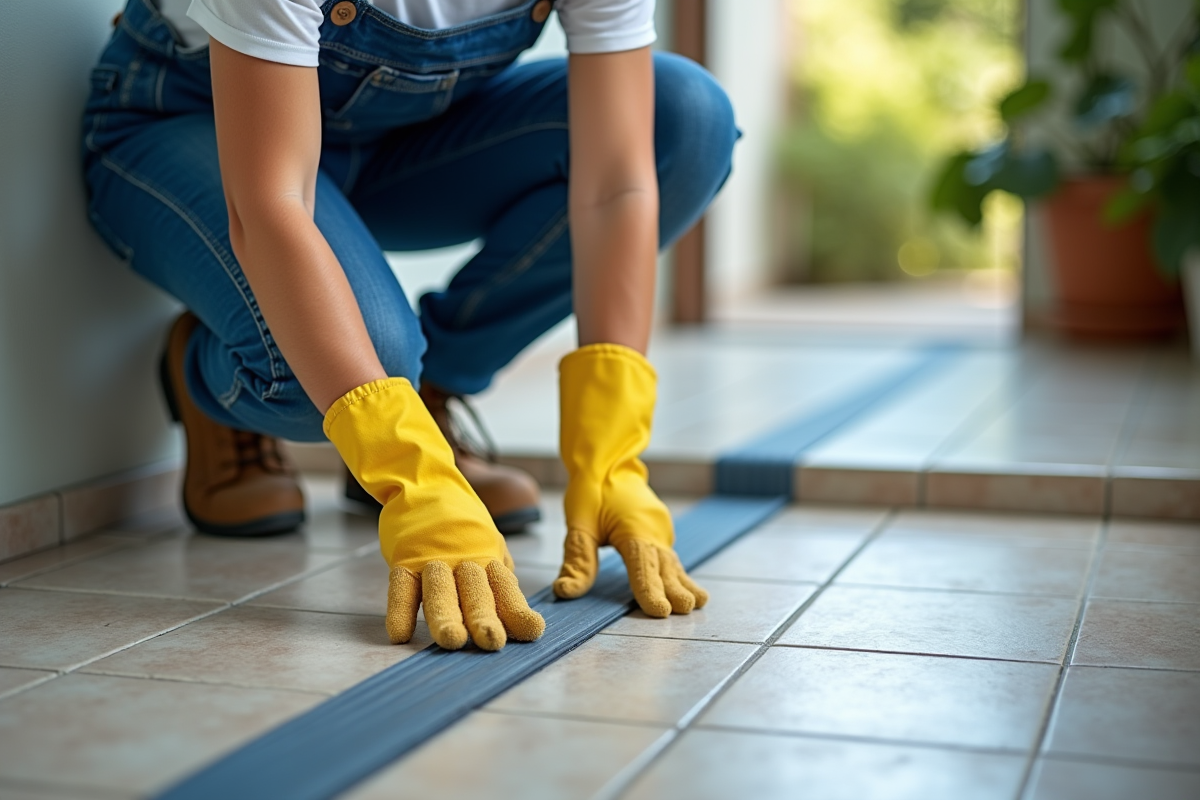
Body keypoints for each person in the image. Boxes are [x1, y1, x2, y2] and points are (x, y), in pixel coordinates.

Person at [82, 0, 738, 651]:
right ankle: (218, 370)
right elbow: (271, 204)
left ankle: (420, 402)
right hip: (197, 125)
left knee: (684, 119)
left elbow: (615, 185)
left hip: (402, 142)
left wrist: (612, 456)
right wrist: (409, 473)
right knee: (355, 366)